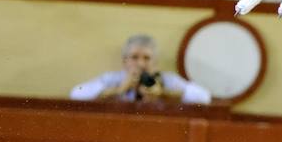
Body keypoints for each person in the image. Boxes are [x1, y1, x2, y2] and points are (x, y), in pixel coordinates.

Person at [70, 33, 212, 104]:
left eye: (146, 58)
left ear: (155, 62)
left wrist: (164, 93)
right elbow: (76, 94)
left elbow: (204, 98)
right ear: (125, 61)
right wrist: (118, 90)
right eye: (134, 57)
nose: (141, 64)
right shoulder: (113, 79)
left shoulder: (166, 80)